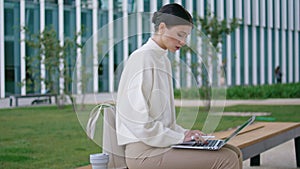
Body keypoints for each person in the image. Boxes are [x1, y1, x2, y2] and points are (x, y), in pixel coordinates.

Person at [116, 3, 242, 169]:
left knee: (233, 151)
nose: (183, 42)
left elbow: (164, 122)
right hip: (143, 152)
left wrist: (186, 134)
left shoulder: (163, 59)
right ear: (162, 28)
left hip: (160, 145)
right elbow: (138, 123)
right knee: (227, 159)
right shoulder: (142, 58)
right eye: (180, 35)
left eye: (186, 36)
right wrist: (179, 139)